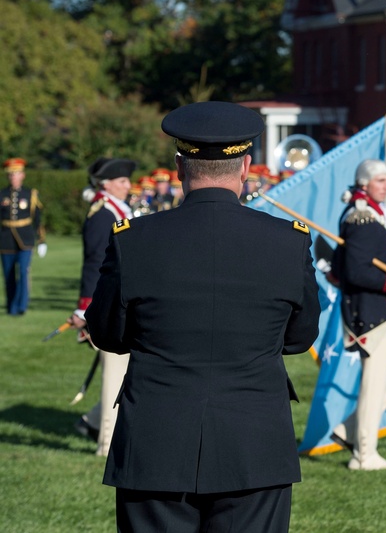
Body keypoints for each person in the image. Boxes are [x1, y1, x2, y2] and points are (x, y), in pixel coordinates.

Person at [85, 101, 320, 533]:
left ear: (179, 166)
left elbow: (107, 333)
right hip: (254, 443)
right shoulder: (287, 242)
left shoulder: (135, 241)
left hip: (156, 439)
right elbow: (300, 336)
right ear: (246, 165)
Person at [330, 159, 386, 470]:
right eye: (381, 180)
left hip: (384, 310)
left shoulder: (368, 215)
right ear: (365, 183)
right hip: (370, 312)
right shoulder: (362, 219)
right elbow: (357, 272)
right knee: (374, 382)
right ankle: (363, 454)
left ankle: (349, 430)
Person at [68, 157, 137, 453]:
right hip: (108, 303)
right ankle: (107, 443)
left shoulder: (115, 210)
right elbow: (94, 263)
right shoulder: (101, 214)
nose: (128, 186)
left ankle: (93, 421)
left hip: (124, 299)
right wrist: (85, 308)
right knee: (115, 372)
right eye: (122, 181)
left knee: (124, 369)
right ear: (106, 184)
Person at [1, 158, 45, 316]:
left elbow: (38, 219)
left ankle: (21, 306)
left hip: (25, 239)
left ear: (23, 175)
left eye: (17, 173)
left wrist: (41, 241)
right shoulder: (2, 194)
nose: (13, 177)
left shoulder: (30, 194)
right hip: (5, 239)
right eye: (11, 174)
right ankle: (11, 306)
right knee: (8, 274)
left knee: (23, 272)